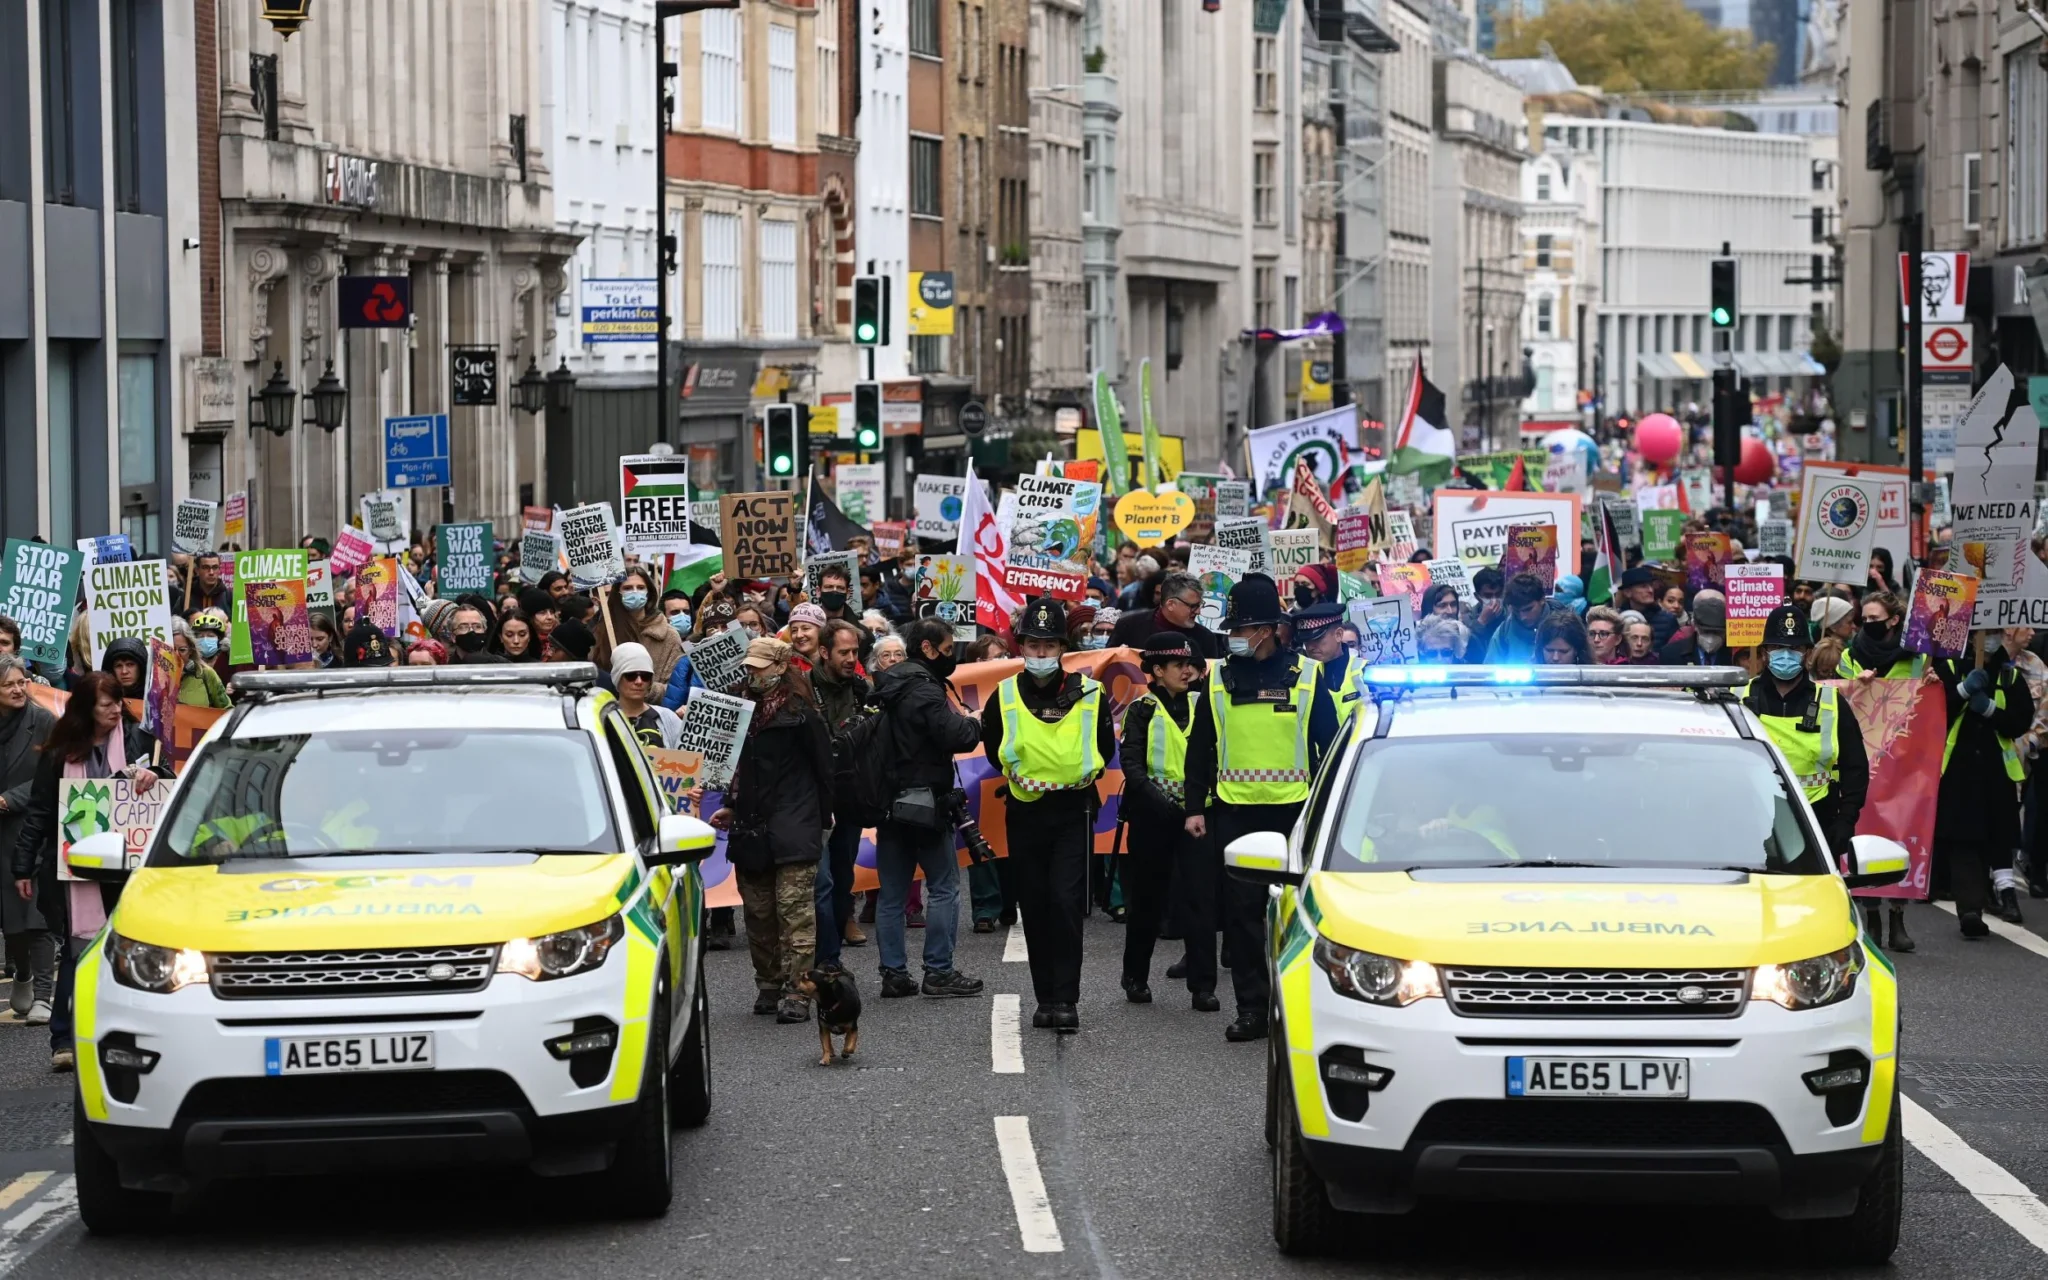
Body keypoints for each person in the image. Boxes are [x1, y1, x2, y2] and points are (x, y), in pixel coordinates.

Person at [1182, 574, 1339, 1042]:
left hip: (1295, 815)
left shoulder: (1307, 677)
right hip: (1237, 814)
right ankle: (1253, 1009)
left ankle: (1297, 1008)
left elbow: (1329, 748)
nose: (1233, 637)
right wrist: (1194, 807)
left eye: (1241, 628)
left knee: (1298, 918)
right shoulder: (1218, 681)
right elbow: (1200, 749)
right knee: (1244, 919)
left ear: (1266, 630)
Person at [980, 598, 1117, 1032]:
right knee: (1035, 905)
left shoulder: (1090, 692)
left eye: (1049, 646)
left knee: (1065, 902)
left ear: (1063, 647)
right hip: (1024, 811)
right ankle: (1044, 998)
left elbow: (1105, 747)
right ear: (1022, 647)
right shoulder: (1002, 695)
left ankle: (1067, 998)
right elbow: (992, 747)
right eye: (1033, 646)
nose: (1040, 655)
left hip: (1072, 811)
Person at [11, 672, 158, 1070]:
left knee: (129, 951)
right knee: (80, 952)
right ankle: (64, 1038)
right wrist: (23, 866)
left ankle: (127, 1032)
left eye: (117, 702)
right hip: (76, 869)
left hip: (128, 867)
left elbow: (165, 787)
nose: (114, 710)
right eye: (105, 704)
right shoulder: (60, 753)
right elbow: (41, 809)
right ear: (86, 710)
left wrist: (153, 774)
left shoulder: (137, 740)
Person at [708, 638, 834, 1022]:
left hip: (794, 825)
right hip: (750, 827)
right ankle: (768, 983)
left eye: (760, 666)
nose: (753, 673)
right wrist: (729, 804)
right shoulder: (736, 709)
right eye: (750, 666)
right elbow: (731, 769)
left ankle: (799, 992)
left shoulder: (801, 714)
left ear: (781, 667)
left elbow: (824, 770)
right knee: (759, 915)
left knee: (795, 915)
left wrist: (821, 818)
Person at [1741, 606, 1881, 935]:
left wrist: (1845, 823)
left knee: (1813, 918)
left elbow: (1855, 770)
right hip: (1751, 825)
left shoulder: (1831, 702)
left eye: (1793, 650)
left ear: (1806, 653)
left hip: (1817, 821)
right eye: (1777, 649)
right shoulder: (1739, 699)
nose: (1785, 657)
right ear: (1763, 654)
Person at [871, 617, 985, 999]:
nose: (952, 655)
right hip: (925, 802)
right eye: (948, 648)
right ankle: (939, 970)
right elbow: (957, 737)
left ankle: (893, 973)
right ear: (928, 649)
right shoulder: (925, 690)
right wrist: (972, 722)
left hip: (888, 802)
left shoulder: (889, 684)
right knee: (944, 887)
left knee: (891, 893)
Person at [1118, 633, 1220, 1012]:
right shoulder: (1141, 710)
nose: (1188, 670)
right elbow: (1132, 764)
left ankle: (1203, 986)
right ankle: (1135, 976)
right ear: (1158, 671)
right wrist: (1158, 802)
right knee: (1148, 900)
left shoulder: (1204, 704)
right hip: (1152, 817)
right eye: (1179, 665)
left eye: (1191, 664)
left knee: (1200, 900)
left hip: (1198, 815)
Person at [1934, 637, 2034, 937]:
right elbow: (1932, 712)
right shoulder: (1950, 667)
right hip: (1957, 770)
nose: (1987, 639)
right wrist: (1962, 691)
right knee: (1963, 841)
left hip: (1996, 771)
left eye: (1993, 632)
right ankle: (1970, 910)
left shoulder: (2010, 675)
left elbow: (2020, 722)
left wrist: (1990, 709)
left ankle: (2005, 894)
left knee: (1997, 837)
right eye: (1982, 632)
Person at [0, 656, 56, 1024]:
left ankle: (45, 996)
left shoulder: (44, 721)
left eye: (22, 682)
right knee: (11, 921)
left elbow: (50, 772)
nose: (19, 689)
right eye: (9, 685)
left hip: (30, 827)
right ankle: (22, 973)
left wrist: (10, 799)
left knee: (36, 913)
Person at [813, 620, 871, 965]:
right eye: (843, 652)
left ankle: (832, 946)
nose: (851, 658)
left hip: (850, 798)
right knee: (822, 882)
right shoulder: (805, 689)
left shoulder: (862, 690)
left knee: (843, 877)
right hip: (817, 800)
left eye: (855, 652)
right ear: (824, 653)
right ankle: (826, 958)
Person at [1108, 571, 1222, 658]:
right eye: (1193, 606)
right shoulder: (1129, 626)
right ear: (1171, 604)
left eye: (1199, 605)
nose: (1198, 611)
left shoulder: (1206, 639)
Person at [1292, 603, 1360, 725]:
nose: (1311, 646)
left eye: (1317, 639)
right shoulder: (1298, 675)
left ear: (1339, 635)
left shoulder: (1364, 671)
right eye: (1306, 640)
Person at [616, 567, 684, 683]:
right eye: (627, 588)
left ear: (649, 593)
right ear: (617, 593)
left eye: (641, 588)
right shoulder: (604, 631)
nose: (635, 592)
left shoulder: (669, 636)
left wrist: (643, 688)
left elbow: (675, 687)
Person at [611, 643, 683, 749]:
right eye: (631, 675)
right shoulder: (603, 719)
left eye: (645, 676)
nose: (639, 681)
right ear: (618, 678)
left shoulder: (668, 718)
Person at [1484, 572, 1567, 663]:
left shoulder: (1566, 626)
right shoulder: (1503, 632)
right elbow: (1489, 669)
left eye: (1528, 609)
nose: (1522, 617)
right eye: (1516, 611)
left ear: (1542, 599)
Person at [1840, 592, 1920, 680]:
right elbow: (1838, 690)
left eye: (1874, 618)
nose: (1868, 623)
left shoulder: (1915, 655)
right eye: (1864, 619)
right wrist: (1857, 684)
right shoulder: (1849, 656)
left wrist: (1930, 681)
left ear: (1894, 620)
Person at [1659, 590, 1736, 665]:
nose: (1711, 638)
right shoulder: (1670, 654)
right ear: (1694, 624)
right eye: (1705, 631)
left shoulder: (1737, 657)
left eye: (1717, 632)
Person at [170, 621, 231, 707]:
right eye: (171, 649)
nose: (176, 655)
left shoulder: (206, 674)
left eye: (182, 650)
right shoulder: (155, 677)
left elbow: (226, 710)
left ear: (191, 650)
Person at [178, 553, 232, 618]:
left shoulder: (229, 597)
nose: (211, 572)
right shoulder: (186, 597)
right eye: (206, 567)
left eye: (215, 567)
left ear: (219, 570)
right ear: (197, 570)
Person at [785, 602, 828, 672]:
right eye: (794, 630)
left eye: (805, 628)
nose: (799, 635)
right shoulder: (784, 662)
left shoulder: (836, 658)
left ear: (821, 630)